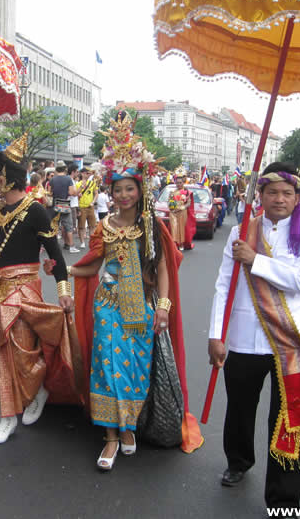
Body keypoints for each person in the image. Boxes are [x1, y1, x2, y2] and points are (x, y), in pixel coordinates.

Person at [68, 111, 203, 470]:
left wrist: (163, 306)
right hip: (107, 306)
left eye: (130, 187)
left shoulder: (152, 225)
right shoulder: (103, 226)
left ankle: (129, 428)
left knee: (134, 369)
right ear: (109, 192)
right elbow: (95, 264)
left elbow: (162, 268)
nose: (124, 194)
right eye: (118, 188)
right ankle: (110, 437)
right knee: (107, 366)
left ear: (140, 189)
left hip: (140, 309)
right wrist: (66, 268)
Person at [0, 134, 82, 445]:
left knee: (21, 355)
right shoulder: (1, 212)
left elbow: (56, 255)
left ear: (5, 179)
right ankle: (11, 408)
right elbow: (0, 242)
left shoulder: (34, 210)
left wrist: (63, 290)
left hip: (22, 291)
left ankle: (22, 404)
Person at [208, 162, 300, 517]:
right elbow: (223, 283)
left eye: (287, 193)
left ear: (297, 197)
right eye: (272, 192)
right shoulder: (243, 231)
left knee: (289, 416)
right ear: (261, 194)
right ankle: (238, 461)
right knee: (240, 407)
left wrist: (255, 260)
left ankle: (284, 499)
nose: (279, 199)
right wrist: (215, 334)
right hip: (243, 337)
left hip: (288, 341)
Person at [50, 161, 79, 253]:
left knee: (54, 225)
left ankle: (53, 246)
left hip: (55, 203)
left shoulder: (53, 179)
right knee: (68, 226)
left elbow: (50, 193)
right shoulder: (68, 179)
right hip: (64, 203)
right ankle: (71, 246)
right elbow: (71, 193)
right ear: (65, 169)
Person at [77, 165, 98, 249]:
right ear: (82, 174)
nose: (89, 175)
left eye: (89, 173)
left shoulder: (93, 183)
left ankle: (91, 242)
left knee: (92, 226)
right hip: (82, 207)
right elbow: (75, 195)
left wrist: (93, 202)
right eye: (87, 173)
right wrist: (78, 195)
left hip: (90, 207)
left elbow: (96, 193)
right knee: (81, 226)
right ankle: (82, 242)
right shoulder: (78, 184)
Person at [168, 169, 190, 249]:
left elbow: (189, 203)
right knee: (174, 228)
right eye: (177, 183)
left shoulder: (186, 192)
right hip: (173, 213)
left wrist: (182, 207)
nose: (179, 184)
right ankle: (174, 244)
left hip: (182, 212)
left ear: (183, 183)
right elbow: (169, 202)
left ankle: (181, 244)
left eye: (180, 183)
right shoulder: (172, 192)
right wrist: (171, 208)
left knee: (181, 228)